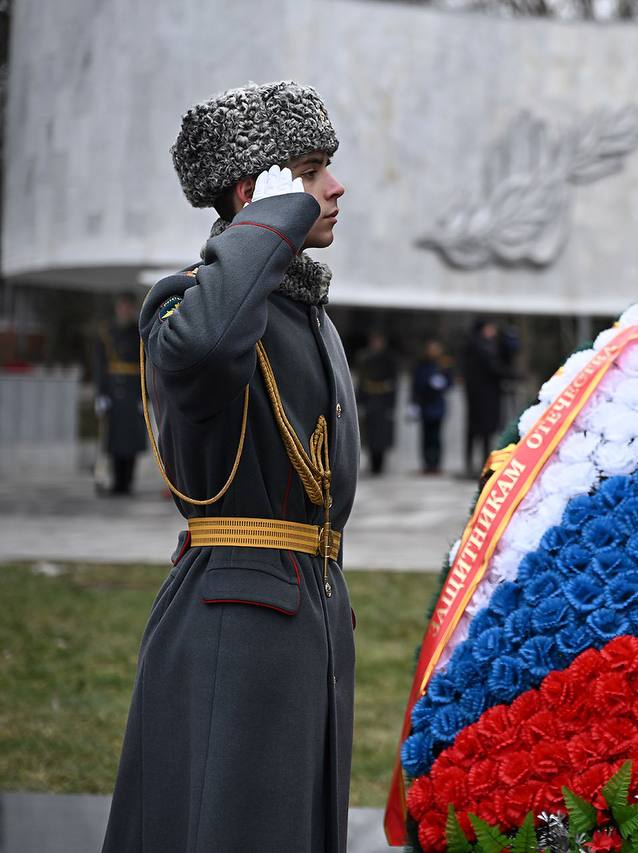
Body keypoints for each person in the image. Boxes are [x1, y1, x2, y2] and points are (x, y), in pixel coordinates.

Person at [103, 81, 358, 853]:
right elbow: (207, 349)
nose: (335, 186)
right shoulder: (189, 305)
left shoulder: (301, 309)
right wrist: (265, 226)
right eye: (310, 172)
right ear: (257, 196)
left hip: (304, 610)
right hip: (236, 624)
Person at [93, 294, 147, 495]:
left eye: (128, 307)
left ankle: (128, 482)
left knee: (131, 440)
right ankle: (117, 482)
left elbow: (146, 364)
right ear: (117, 308)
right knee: (114, 440)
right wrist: (101, 393)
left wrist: (145, 395)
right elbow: (100, 365)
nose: (125, 310)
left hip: (133, 391)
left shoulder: (139, 332)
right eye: (122, 306)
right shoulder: (106, 332)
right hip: (113, 391)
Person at [462, 319, 506, 475]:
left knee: (475, 431)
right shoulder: (482, 347)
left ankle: (472, 463)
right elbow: (494, 368)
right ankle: (483, 464)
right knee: (484, 430)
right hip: (484, 396)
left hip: (477, 395)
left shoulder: (474, 345)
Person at [358, 331, 398, 475]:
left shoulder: (389, 360)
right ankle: (372, 463)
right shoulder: (365, 358)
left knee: (381, 436)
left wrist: (391, 404)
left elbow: (393, 384)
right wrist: (360, 401)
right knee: (369, 435)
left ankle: (380, 464)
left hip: (383, 401)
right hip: (370, 400)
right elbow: (361, 382)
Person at [412, 339, 453, 474]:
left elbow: (450, 382)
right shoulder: (422, 365)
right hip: (425, 404)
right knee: (426, 436)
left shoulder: (443, 365)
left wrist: (443, 383)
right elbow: (416, 384)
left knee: (436, 436)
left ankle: (435, 464)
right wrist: (414, 403)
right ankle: (427, 463)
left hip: (438, 405)